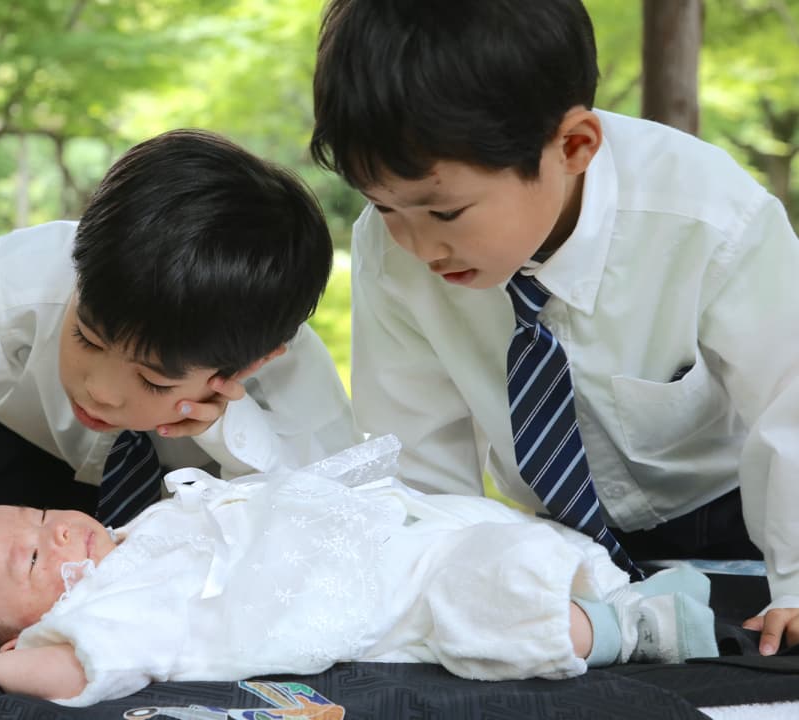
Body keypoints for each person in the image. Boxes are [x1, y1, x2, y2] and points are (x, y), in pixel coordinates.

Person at [308, 0, 799, 656]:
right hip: (556, 545)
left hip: (736, 528)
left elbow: (789, 406)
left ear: (573, 146)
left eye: (445, 211)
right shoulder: (388, 252)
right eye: (383, 205)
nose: (418, 245)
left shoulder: (709, 217)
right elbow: (417, 464)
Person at [0, 129, 359, 602]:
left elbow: (327, 514)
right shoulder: (20, 276)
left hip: (186, 493)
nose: (100, 391)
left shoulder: (284, 369)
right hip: (25, 450)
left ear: (253, 362)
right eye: (86, 337)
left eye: (152, 378)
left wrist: (237, 435)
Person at [0, 438, 718, 706]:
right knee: (480, 598)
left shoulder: (137, 532)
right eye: (34, 558)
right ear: (27, 626)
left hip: (383, 538)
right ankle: (630, 628)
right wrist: (6, 671)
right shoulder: (114, 603)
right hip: (387, 599)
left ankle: (614, 586)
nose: (58, 527)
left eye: (37, 517)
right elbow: (88, 660)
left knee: (481, 531)